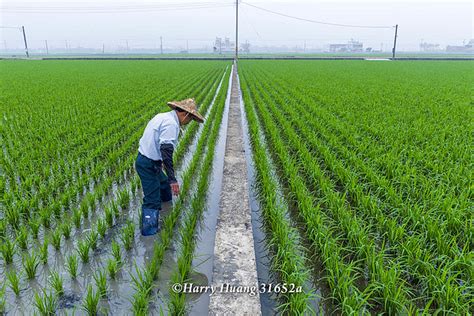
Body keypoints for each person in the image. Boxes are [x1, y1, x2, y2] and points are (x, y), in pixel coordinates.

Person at [135, 98, 204, 236]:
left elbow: (153, 141)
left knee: (164, 187)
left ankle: (167, 210)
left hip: (151, 160)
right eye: (190, 120)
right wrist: (173, 179)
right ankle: (149, 233)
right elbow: (166, 151)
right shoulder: (171, 124)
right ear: (185, 115)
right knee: (152, 200)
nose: (188, 123)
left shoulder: (162, 116)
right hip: (147, 164)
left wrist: (160, 164)